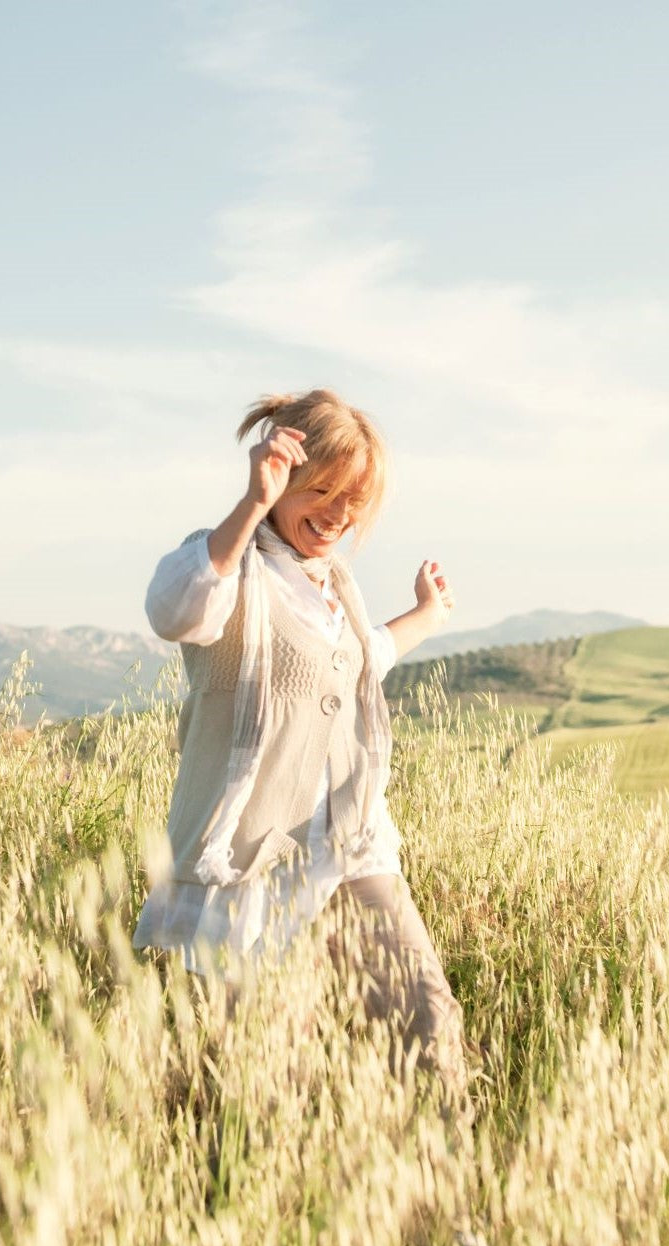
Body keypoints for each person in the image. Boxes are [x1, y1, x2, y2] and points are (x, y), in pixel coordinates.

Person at [132, 388, 472, 1122]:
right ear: (285, 478)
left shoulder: (334, 586)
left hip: (350, 844)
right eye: (322, 490)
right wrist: (250, 506)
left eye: (354, 500)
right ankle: (239, 1196)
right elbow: (175, 610)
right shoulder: (232, 567)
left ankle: (452, 1195)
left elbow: (357, 660)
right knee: (250, 1067)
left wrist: (426, 616)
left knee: (428, 1014)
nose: (338, 514)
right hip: (249, 857)